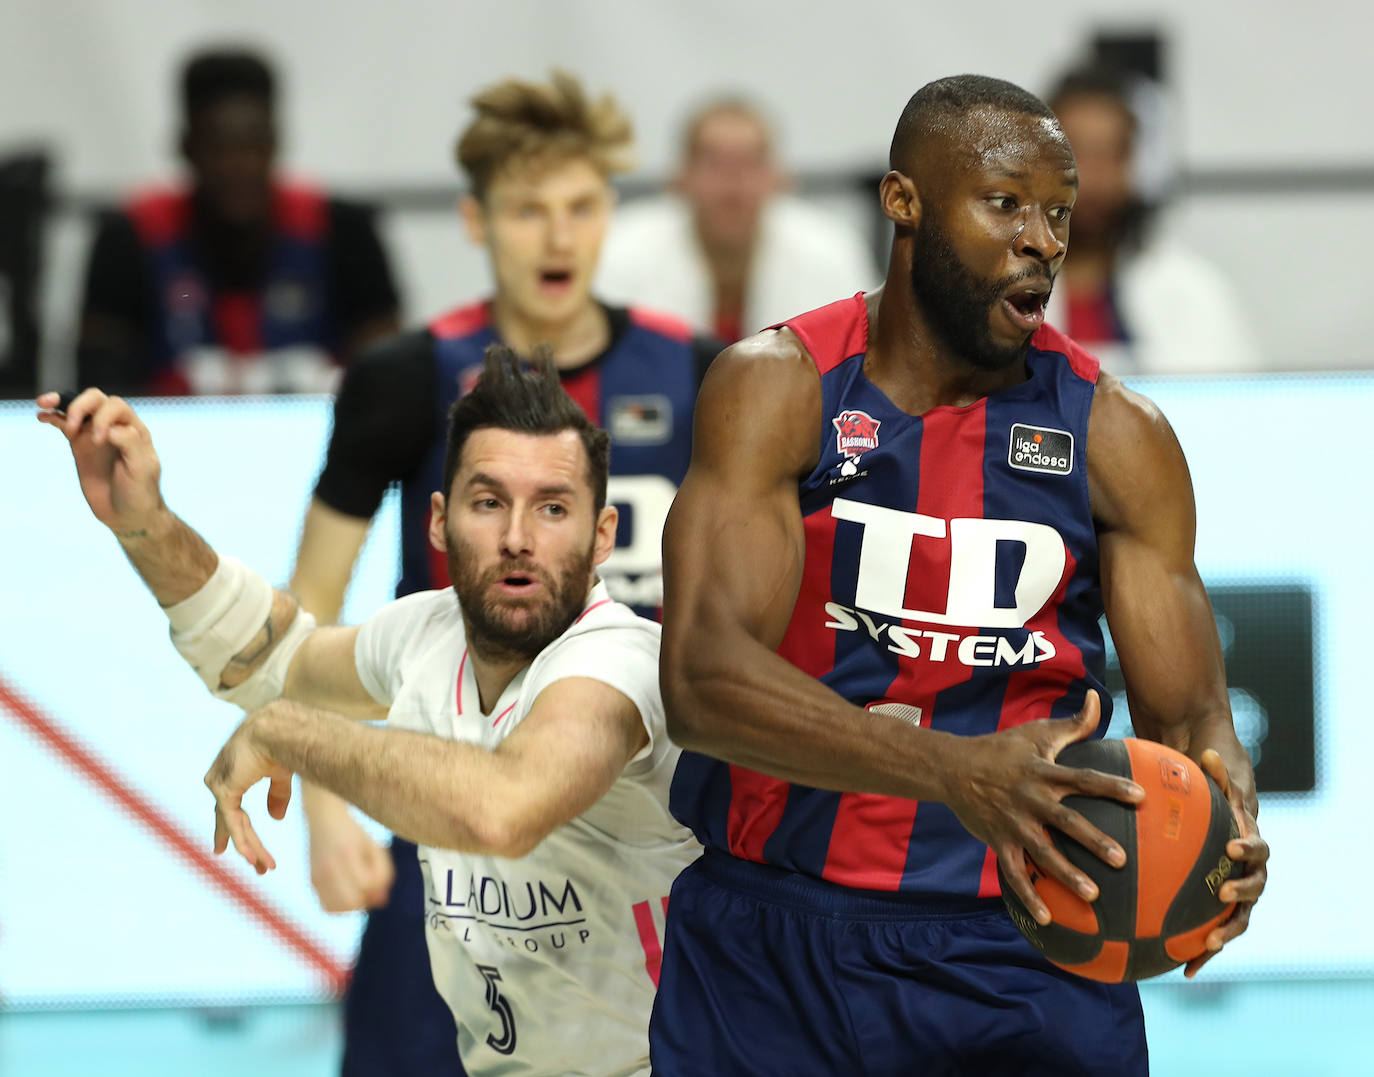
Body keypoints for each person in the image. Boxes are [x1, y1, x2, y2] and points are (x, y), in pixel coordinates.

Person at [652, 74, 1270, 1075]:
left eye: (1059, 212)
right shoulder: (779, 388)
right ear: (905, 203)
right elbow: (703, 684)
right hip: (773, 946)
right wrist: (955, 774)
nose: (1044, 240)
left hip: (1030, 949)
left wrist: (1226, 817)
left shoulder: (1118, 435)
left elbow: (1192, 714)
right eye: (1007, 204)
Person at [37, 348, 698, 1077]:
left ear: (602, 534)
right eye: (488, 502)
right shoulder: (424, 633)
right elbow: (266, 659)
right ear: (439, 522)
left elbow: (504, 807)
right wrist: (145, 524)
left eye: (552, 507)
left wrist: (288, 727)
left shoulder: (620, 663)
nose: (518, 536)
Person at [286, 71, 719, 1075]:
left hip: (641, 828)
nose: (557, 238)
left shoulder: (699, 372)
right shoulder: (405, 376)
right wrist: (324, 808)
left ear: (611, 213)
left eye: (579, 207)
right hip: (451, 811)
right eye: (529, 211)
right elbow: (309, 609)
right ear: (477, 222)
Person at [76, 47, 401, 396]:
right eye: (218, 147)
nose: (237, 166)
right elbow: (99, 390)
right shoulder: (129, 238)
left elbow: (386, 384)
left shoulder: (345, 232)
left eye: (252, 144)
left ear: (275, 143)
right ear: (186, 147)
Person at [596, 96, 878, 342]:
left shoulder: (830, 252)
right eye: (714, 162)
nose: (733, 180)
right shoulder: (620, 251)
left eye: (750, 162)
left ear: (779, 179)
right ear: (679, 178)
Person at [1043, 63, 1259, 375]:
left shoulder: (1192, 292)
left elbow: (1239, 407)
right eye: (1074, 153)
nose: (1091, 178)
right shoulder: (991, 300)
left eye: (1111, 155)